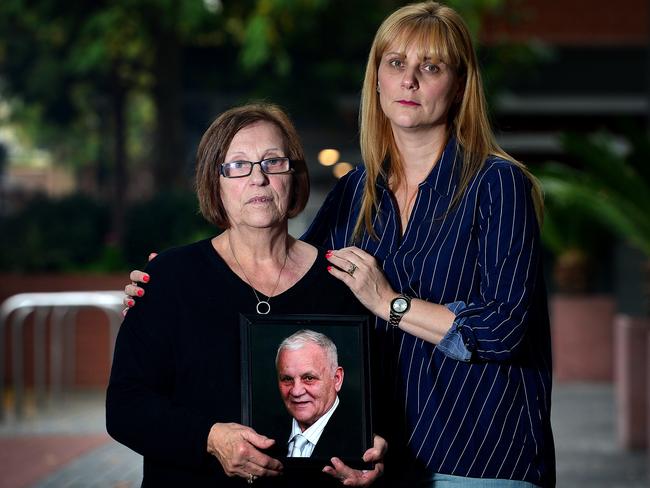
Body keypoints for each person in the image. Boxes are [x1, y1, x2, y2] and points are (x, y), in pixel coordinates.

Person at [123, 2, 555, 486]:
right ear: (376, 79)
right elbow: (284, 281)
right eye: (395, 64)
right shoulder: (357, 191)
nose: (409, 81)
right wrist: (172, 283)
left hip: (479, 458)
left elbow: (502, 331)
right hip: (390, 462)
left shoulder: (497, 184)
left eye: (430, 67)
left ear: (458, 85)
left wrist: (389, 302)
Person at [106, 103, 386, 488]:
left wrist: (374, 452)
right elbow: (124, 408)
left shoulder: (343, 282)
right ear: (214, 182)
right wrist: (209, 438)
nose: (258, 179)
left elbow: (376, 406)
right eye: (238, 165)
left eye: (273, 162)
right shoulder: (169, 278)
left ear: (294, 176)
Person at [273, 329, 362, 461]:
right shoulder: (263, 435)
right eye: (287, 379)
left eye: (309, 378)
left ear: (337, 379)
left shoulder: (363, 440)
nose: (296, 391)